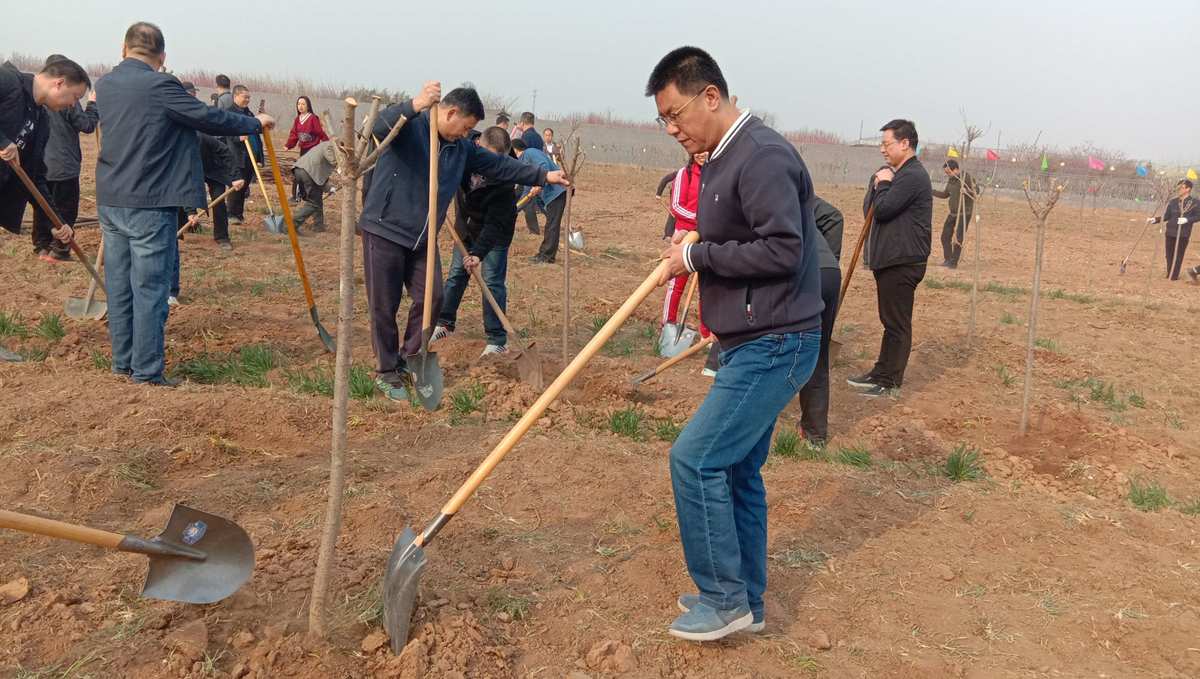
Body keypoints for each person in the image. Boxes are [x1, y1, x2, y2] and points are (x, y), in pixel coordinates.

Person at [648, 46, 823, 642]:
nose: (672, 129)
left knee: (694, 459)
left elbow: (783, 249)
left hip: (776, 342)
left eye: (675, 115)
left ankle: (723, 599)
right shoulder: (720, 156)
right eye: (664, 120)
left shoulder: (762, 156)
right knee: (739, 470)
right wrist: (692, 239)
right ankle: (746, 597)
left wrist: (696, 255)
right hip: (753, 337)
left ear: (711, 97)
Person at [358, 81, 568, 401]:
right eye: (466, 126)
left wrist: (542, 176)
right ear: (450, 112)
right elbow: (376, 126)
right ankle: (387, 370)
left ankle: (412, 355)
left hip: (422, 238)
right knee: (384, 306)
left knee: (433, 298)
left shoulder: (461, 148)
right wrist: (415, 104)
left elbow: (499, 164)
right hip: (385, 229)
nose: (466, 133)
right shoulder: (411, 126)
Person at [95, 22, 273, 386]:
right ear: (162, 57)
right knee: (150, 289)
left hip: (112, 200)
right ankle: (146, 372)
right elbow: (207, 117)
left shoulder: (106, 85)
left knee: (119, 285)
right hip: (150, 201)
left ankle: (122, 362)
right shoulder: (161, 85)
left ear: (122, 49)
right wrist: (253, 123)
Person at [847, 119, 932, 397]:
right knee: (890, 321)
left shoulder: (913, 176)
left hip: (903, 261)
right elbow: (871, 210)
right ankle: (880, 371)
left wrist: (883, 184)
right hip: (891, 260)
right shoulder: (898, 174)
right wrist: (878, 183)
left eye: (887, 144)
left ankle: (890, 380)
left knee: (897, 323)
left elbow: (883, 210)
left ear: (905, 143)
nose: (883, 149)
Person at [432, 126, 520, 355]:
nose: (495, 166)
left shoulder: (506, 178)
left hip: (495, 234)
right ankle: (444, 323)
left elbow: (494, 225)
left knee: (492, 283)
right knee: (456, 275)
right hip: (465, 226)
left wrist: (478, 253)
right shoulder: (465, 148)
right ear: (479, 146)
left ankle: (497, 339)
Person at [0, 57, 89, 250]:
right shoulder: (7, 81)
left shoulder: (41, 120)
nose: (74, 105)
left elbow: (35, 177)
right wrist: (4, 141)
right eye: (75, 97)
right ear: (60, 83)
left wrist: (55, 222)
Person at [169, 80, 245, 306]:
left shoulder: (202, 136)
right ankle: (183, 229)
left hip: (213, 170)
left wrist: (236, 175)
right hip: (189, 172)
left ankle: (221, 237)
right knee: (181, 201)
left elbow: (225, 152)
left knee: (219, 203)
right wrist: (191, 209)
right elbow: (183, 181)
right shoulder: (178, 144)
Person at [30, 54, 99, 264]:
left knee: (42, 205)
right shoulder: (68, 101)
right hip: (63, 165)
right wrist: (93, 105)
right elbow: (86, 125)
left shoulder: (38, 98)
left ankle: (41, 247)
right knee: (65, 208)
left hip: (40, 165)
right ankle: (59, 249)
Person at [796, 196, 843, 444]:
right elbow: (834, 217)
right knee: (817, 354)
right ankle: (814, 434)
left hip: (799, 273)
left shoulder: (752, 189)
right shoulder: (793, 187)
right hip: (828, 272)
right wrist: (829, 260)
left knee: (771, 348)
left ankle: (755, 423)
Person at [660, 152, 709, 337]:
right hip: (684, 236)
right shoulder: (684, 174)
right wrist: (700, 220)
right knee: (676, 284)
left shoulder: (715, 175)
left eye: (706, 151)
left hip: (707, 237)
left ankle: (707, 333)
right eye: (698, 152)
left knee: (706, 288)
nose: (702, 155)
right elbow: (677, 206)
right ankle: (667, 325)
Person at [513, 138, 567, 264]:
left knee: (552, 226)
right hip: (548, 196)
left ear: (515, 149)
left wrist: (539, 184)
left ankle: (547, 257)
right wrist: (514, 210)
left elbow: (544, 166)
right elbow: (526, 192)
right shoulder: (522, 164)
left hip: (556, 191)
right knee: (551, 224)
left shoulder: (530, 152)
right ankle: (544, 254)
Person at [223, 85, 260, 227]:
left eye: (249, 97)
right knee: (236, 186)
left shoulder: (249, 113)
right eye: (245, 97)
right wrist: (237, 138)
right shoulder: (229, 113)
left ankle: (239, 214)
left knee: (244, 187)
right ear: (236, 96)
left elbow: (256, 135)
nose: (247, 100)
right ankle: (231, 214)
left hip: (249, 156)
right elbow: (225, 132)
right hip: (236, 155)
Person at [1150, 179, 1199, 281]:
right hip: (1170, 232)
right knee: (1169, 255)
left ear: (1188, 189)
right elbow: (1167, 216)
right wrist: (1156, 219)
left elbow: (1198, 216)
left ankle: (1173, 275)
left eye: (1181, 187)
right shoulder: (1173, 202)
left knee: (1178, 255)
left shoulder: (1194, 203)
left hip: (1183, 233)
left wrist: (1187, 219)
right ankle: (1170, 272)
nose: (1179, 189)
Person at [931, 158, 976, 268]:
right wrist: (931, 191)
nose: (947, 174)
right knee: (945, 236)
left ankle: (953, 262)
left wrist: (967, 191)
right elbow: (945, 194)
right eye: (946, 172)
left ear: (956, 169)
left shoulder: (966, 177)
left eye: (948, 172)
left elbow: (976, 192)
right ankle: (948, 259)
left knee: (958, 238)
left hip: (964, 213)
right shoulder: (951, 180)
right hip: (953, 213)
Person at [284, 95, 328, 201]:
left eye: (303, 104)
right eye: (299, 104)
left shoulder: (312, 118)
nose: (300, 106)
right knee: (298, 172)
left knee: (309, 173)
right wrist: (288, 145)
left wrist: (328, 143)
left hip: (313, 150)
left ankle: (311, 195)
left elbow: (320, 132)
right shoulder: (297, 119)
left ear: (308, 106)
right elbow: (294, 134)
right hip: (303, 150)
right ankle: (297, 195)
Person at [291, 139, 337, 232]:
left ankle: (318, 226)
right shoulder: (330, 146)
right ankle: (290, 225)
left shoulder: (323, 145)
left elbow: (320, 173)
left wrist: (329, 188)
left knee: (317, 199)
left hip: (300, 170)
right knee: (313, 203)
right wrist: (341, 165)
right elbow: (333, 161)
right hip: (308, 173)